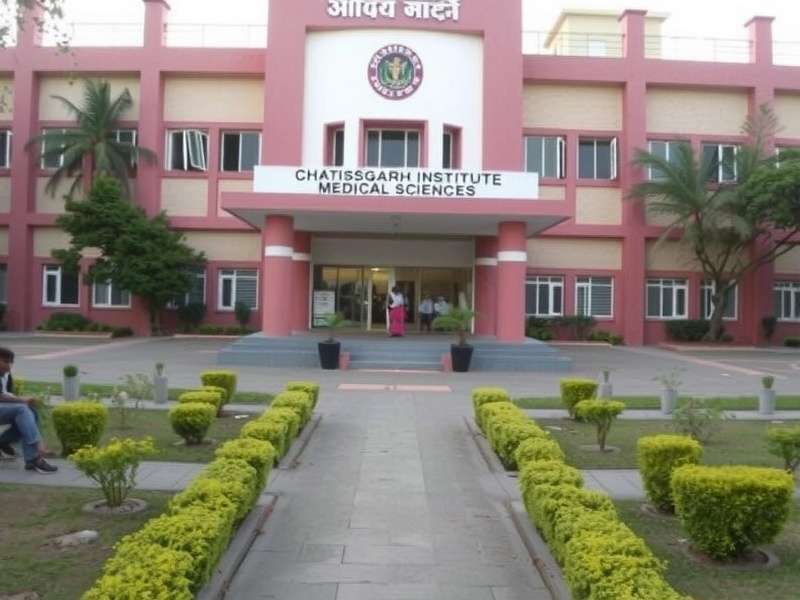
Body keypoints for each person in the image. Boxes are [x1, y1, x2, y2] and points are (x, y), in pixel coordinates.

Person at [0, 347, 58, 473]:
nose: (8, 367)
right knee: (22, 409)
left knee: (31, 412)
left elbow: (6, 394)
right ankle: (36, 454)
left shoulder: (6, 374)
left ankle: (5, 442)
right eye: (5, 362)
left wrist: (24, 400)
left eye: (10, 363)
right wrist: (22, 400)